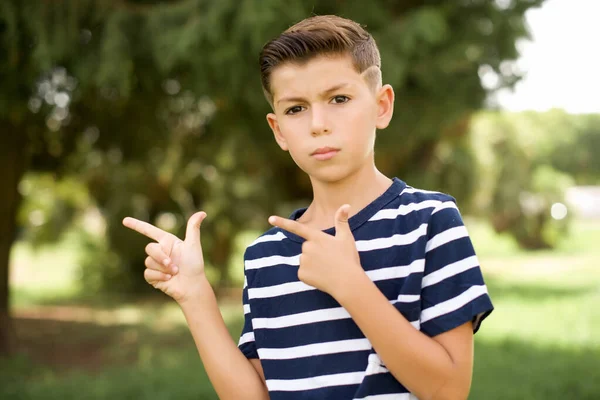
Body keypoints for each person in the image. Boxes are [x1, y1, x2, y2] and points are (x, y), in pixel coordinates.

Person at [123, 14, 494, 400]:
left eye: (339, 99)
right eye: (296, 109)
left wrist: (350, 285)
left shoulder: (429, 222)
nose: (318, 124)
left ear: (382, 106)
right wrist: (195, 295)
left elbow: (449, 389)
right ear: (278, 130)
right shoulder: (265, 257)